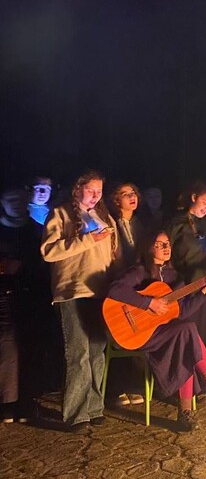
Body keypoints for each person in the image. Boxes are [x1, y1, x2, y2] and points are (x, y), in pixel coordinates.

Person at [107, 231, 206, 431]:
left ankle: (186, 414)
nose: (166, 248)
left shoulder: (174, 277)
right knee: (186, 333)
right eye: (160, 244)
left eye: (168, 244)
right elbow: (115, 290)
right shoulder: (139, 271)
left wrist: (204, 292)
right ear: (148, 247)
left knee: (184, 337)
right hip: (139, 333)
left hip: (165, 334)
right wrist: (148, 303)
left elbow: (183, 311)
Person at [41, 171, 120, 431]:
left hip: (100, 293)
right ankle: (76, 414)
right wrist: (88, 239)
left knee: (97, 352)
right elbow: (49, 251)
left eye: (99, 191)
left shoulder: (105, 217)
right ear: (77, 190)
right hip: (73, 291)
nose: (96, 195)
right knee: (78, 353)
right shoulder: (61, 214)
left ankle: (94, 408)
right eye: (90, 190)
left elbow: (114, 256)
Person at [0, 186, 43, 422]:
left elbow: (45, 262)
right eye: (10, 198)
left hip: (32, 297)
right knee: (6, 346)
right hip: (3, 297)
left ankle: (28, 400)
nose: (15, 202)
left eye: (19, 198)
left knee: (31, 347)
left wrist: (25, 267)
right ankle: (7, 402)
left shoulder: (36, 231)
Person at [167, 180, 206, 359]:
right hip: (183, 289)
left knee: (204, 337)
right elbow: (166, 256)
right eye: (205, 203)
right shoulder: (176, 223)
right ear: (193, 197)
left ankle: (203, 373)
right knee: (185, 336)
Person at [108, 182, 148, 407]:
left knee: (137, 334)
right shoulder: (112, 223)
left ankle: (135, 385)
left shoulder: (140, 224)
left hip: (139, 285)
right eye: (125, 194)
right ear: (116, 200)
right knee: (120, 334)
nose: (131, 197)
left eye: (133, 193)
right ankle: (117, 388)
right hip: (119, 284)